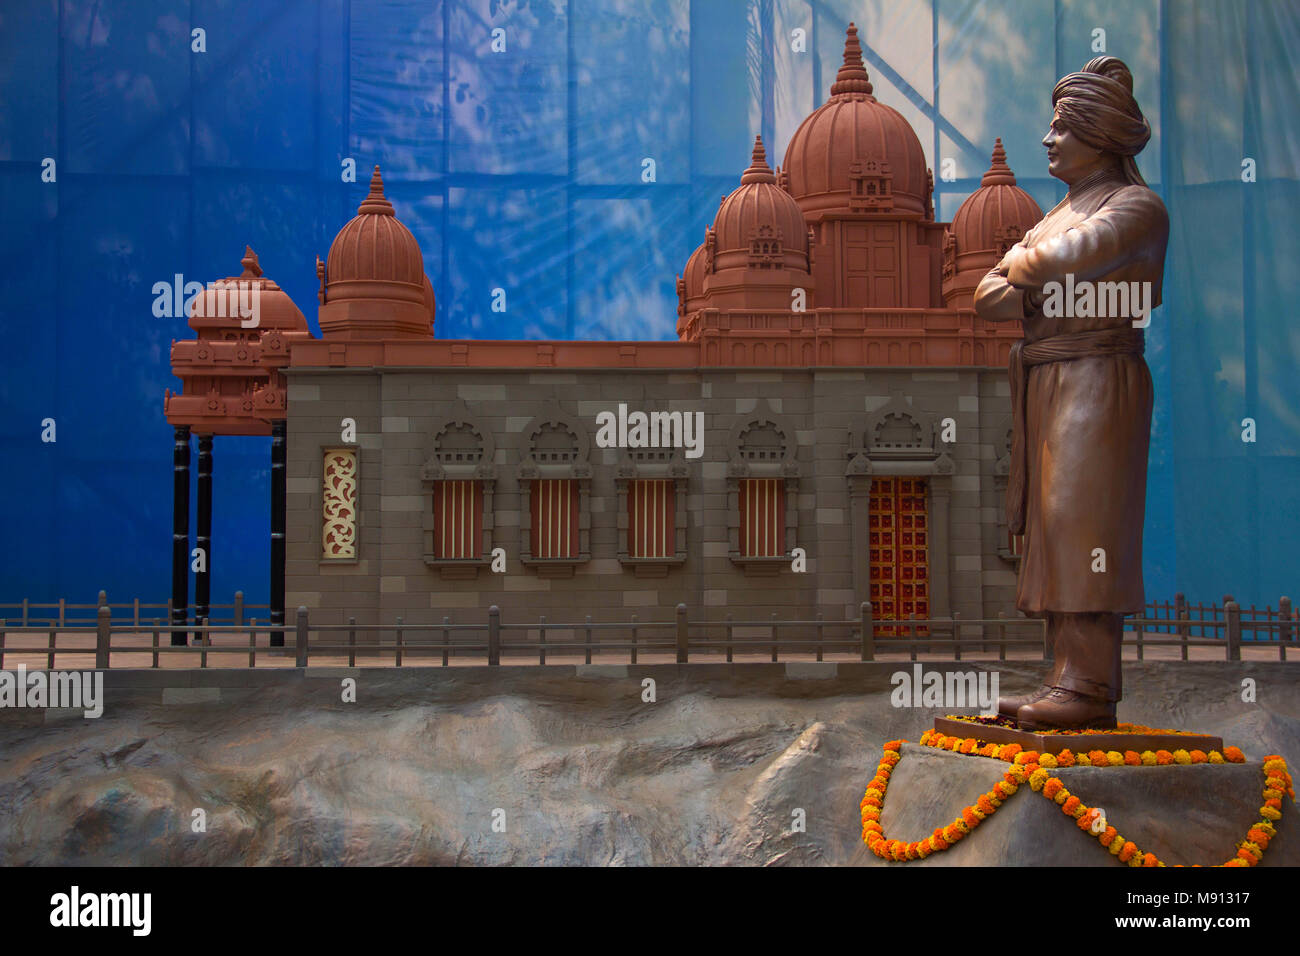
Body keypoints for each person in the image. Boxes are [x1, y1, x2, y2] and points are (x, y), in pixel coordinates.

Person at [974, 56, 1169, 730]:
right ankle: (1064, 677)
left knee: (1087, 519)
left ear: (1098, 133)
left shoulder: (1136, 207)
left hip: (1097, 373)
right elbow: (987, 296)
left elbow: (1059, 259)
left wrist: (1031, 266)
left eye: (1062, 128)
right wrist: (1036, 270)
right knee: (1054, 525)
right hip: (1049, 376)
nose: (1048, 140)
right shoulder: (1055, 213)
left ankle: (1090, 685)